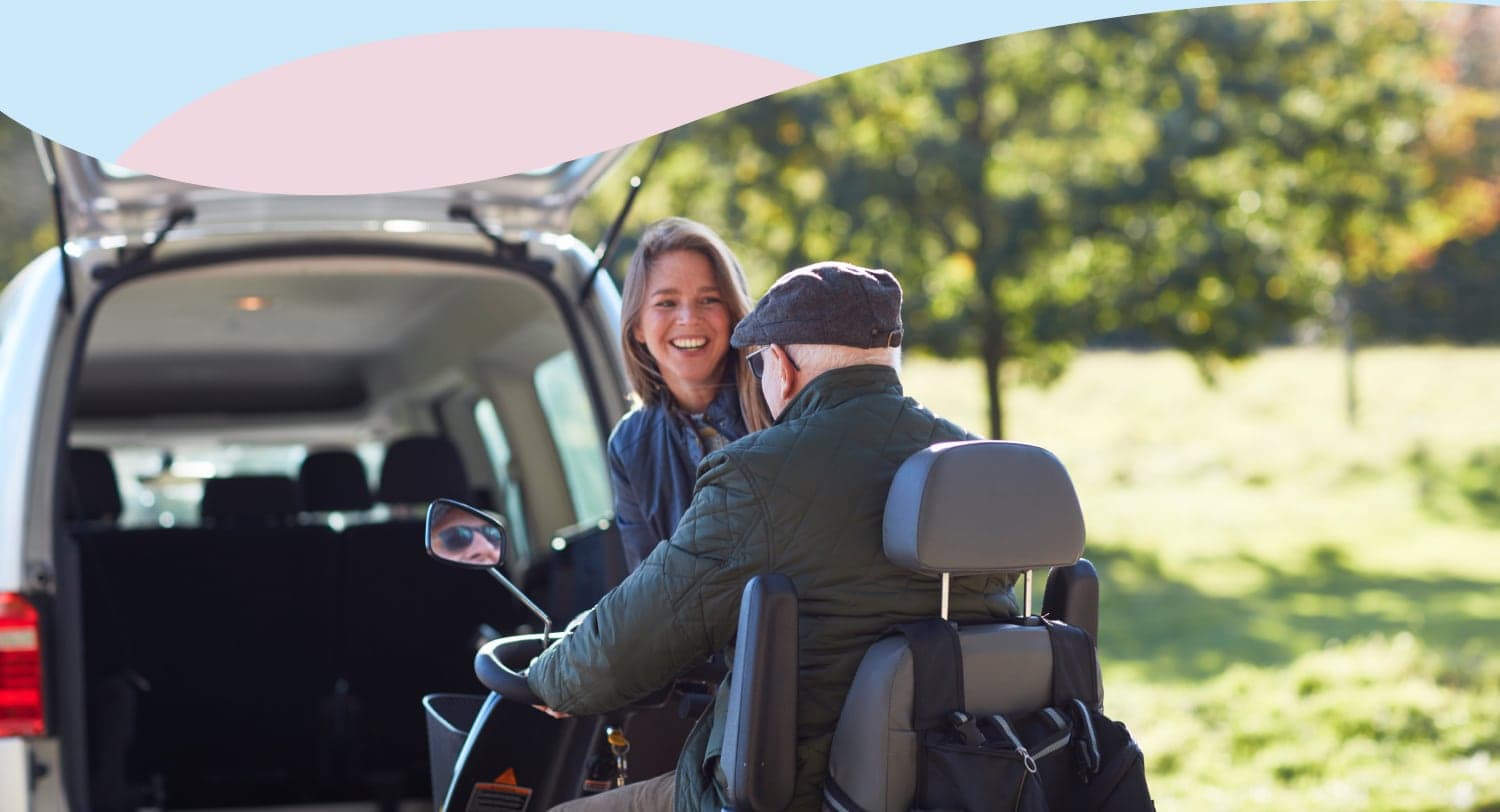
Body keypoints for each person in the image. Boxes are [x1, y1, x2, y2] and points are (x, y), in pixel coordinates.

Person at [527, 263, 1019, 811]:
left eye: (758, 363)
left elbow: (627, 647)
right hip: (968, 782)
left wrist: (548, 679)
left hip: (801, 791)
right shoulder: (973, 464)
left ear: (780, 364)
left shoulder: (756, 474)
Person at [610, 218, 771, 571]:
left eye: (709, 299)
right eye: (666, 303)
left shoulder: (782, 401)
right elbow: (649, 592)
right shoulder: (628, 446)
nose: (688, 318)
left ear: (733, 315)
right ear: (637, 326)